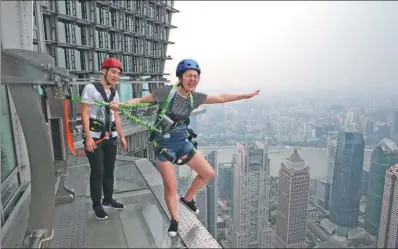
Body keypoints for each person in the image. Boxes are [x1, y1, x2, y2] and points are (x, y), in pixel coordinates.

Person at [110, 59, 259, 236]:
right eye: (189, 76)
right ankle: (175, 220)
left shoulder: (194, 97)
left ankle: (187, 199)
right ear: (180, 77)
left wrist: (244, 96)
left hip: (183, 142)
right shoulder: (166, 92)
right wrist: (122, 105)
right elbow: (141, 100)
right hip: (164, 146)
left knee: (208, 173)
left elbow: (221, 98)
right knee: (170, 187)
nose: (193, 79)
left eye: (196, 77)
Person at [81, 58, 128, 220]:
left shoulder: (114, 93)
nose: (116, 76)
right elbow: (85, 113)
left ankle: (108, 200)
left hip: (111, 137)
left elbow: (117, 116)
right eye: (113, 72)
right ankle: (97, 205)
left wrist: (121, 136)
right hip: (94, 138)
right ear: (104, 71)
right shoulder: (90, 89)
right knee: (98, 171)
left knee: (109, 170)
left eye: (118, 73)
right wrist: (88, 137)